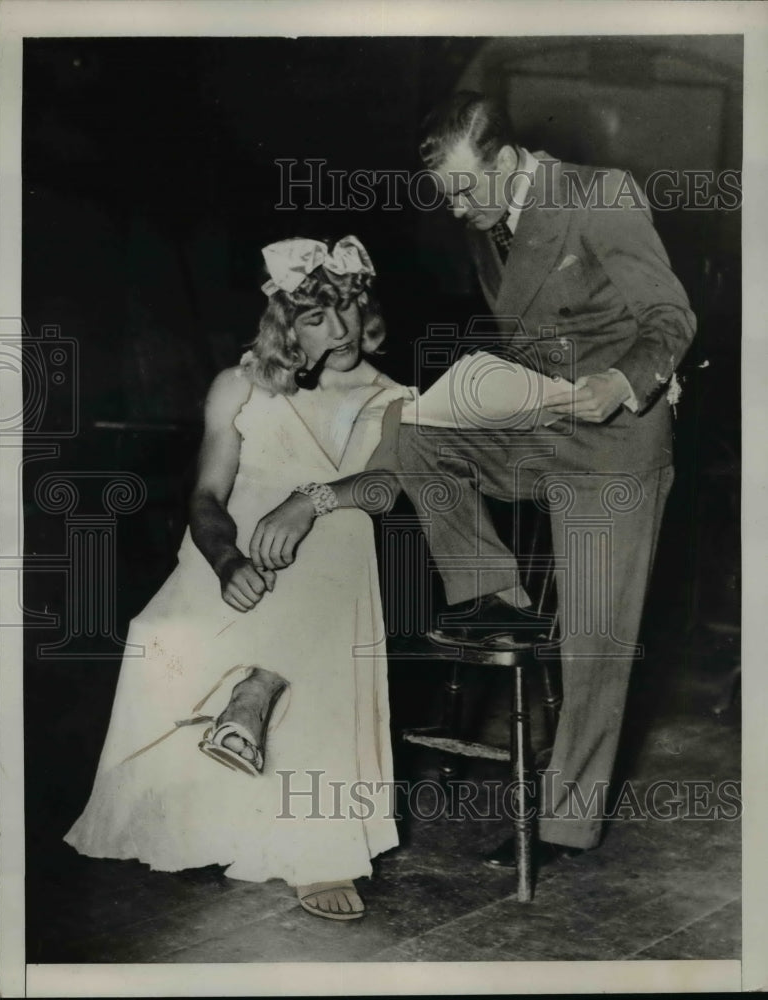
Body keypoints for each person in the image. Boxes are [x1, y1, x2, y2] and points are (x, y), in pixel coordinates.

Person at [64, 235, 413, 921]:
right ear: (287, 321)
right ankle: (237, 735)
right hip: (232, 558)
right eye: (316, 317)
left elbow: (388, 487)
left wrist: (310, 499)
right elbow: (205, 498)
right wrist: (226, 561)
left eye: (346, 308)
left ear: (365, 305)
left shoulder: (393, 395)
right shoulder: (239, 384)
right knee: (160, 631)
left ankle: (305, 818)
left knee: (342, 532)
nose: (338, 331)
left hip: (325, 546)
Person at [394, 91, 697, 858]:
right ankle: (493, 595)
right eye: (446, 195)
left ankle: (564, 826)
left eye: (464, 188)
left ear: (504, 162)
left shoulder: (598, 195)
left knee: (594, 648)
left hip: (614, 441)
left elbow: (670, 316)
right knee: (414, 437)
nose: (457, 208)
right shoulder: (486, 220)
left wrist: (625, 382)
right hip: (539, 423)